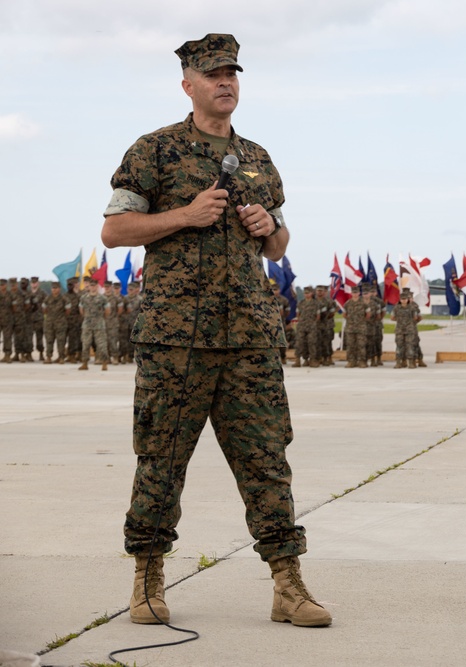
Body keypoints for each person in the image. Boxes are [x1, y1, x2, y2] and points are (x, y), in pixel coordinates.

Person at [101, 34, 330, 627]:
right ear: (188, 85)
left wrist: (266, 227)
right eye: (213, 74)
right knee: (160, 459)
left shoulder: (258, 158)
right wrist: (184, 214)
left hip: (252, 336)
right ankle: (147, 580)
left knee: (267, 462)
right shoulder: (154, 151)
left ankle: (288, 584)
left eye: (232, 72)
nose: (225, 81)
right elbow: (115, 231)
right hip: (175, 341)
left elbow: (279, 246)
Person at [78, 278, 110, 371]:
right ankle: (84, 363)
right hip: (87, 324)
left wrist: (100, 318)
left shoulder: (102, 298)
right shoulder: (84, 297)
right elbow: (81, 310)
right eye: (91, 285)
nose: (93, 287)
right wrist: (87, 317)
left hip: (99, 324)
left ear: (97, 286)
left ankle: (104, 363)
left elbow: (107, 311)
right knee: (85, 344)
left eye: (94, 285)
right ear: (89, 287)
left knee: (102, 344)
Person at [392, 287, 422, 368]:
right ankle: (399, 362)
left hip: (410, 330)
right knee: (399, 346)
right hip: (399, 330)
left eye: (406, 298)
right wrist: (401, 322)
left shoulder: (413, 307)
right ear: (400, 299)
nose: (404, 300)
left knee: (410, 346)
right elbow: (392, 317)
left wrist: (411, 323)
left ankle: (411, 362)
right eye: (402, 299)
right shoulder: (396, 307)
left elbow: (416, 317)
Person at [42, 281, 70, 364]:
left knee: (61, 341)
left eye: (56, 288)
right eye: (53, 288)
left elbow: (68, 311)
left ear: (59, 289)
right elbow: (44, 309)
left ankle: (61, 357)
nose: (54, 290)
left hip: (60, 323)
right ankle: (49, 357)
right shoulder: (48, 298)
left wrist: (60, 317)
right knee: (49, 340)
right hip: (49, 323)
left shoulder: (64, 299)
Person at [343, 285, 370, 368]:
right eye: (353, 292)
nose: (355, 294)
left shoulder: (364, 303)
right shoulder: (347, 303)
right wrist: (351, 320)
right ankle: (351, 361)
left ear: (359, 293)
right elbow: (344, 314)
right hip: (350, 328)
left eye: (356, 292)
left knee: (361, 345)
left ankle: (362, 361)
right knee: (350, 345)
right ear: (351, 293)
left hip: (361, 327)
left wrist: (361, 321)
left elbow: (368, 314)